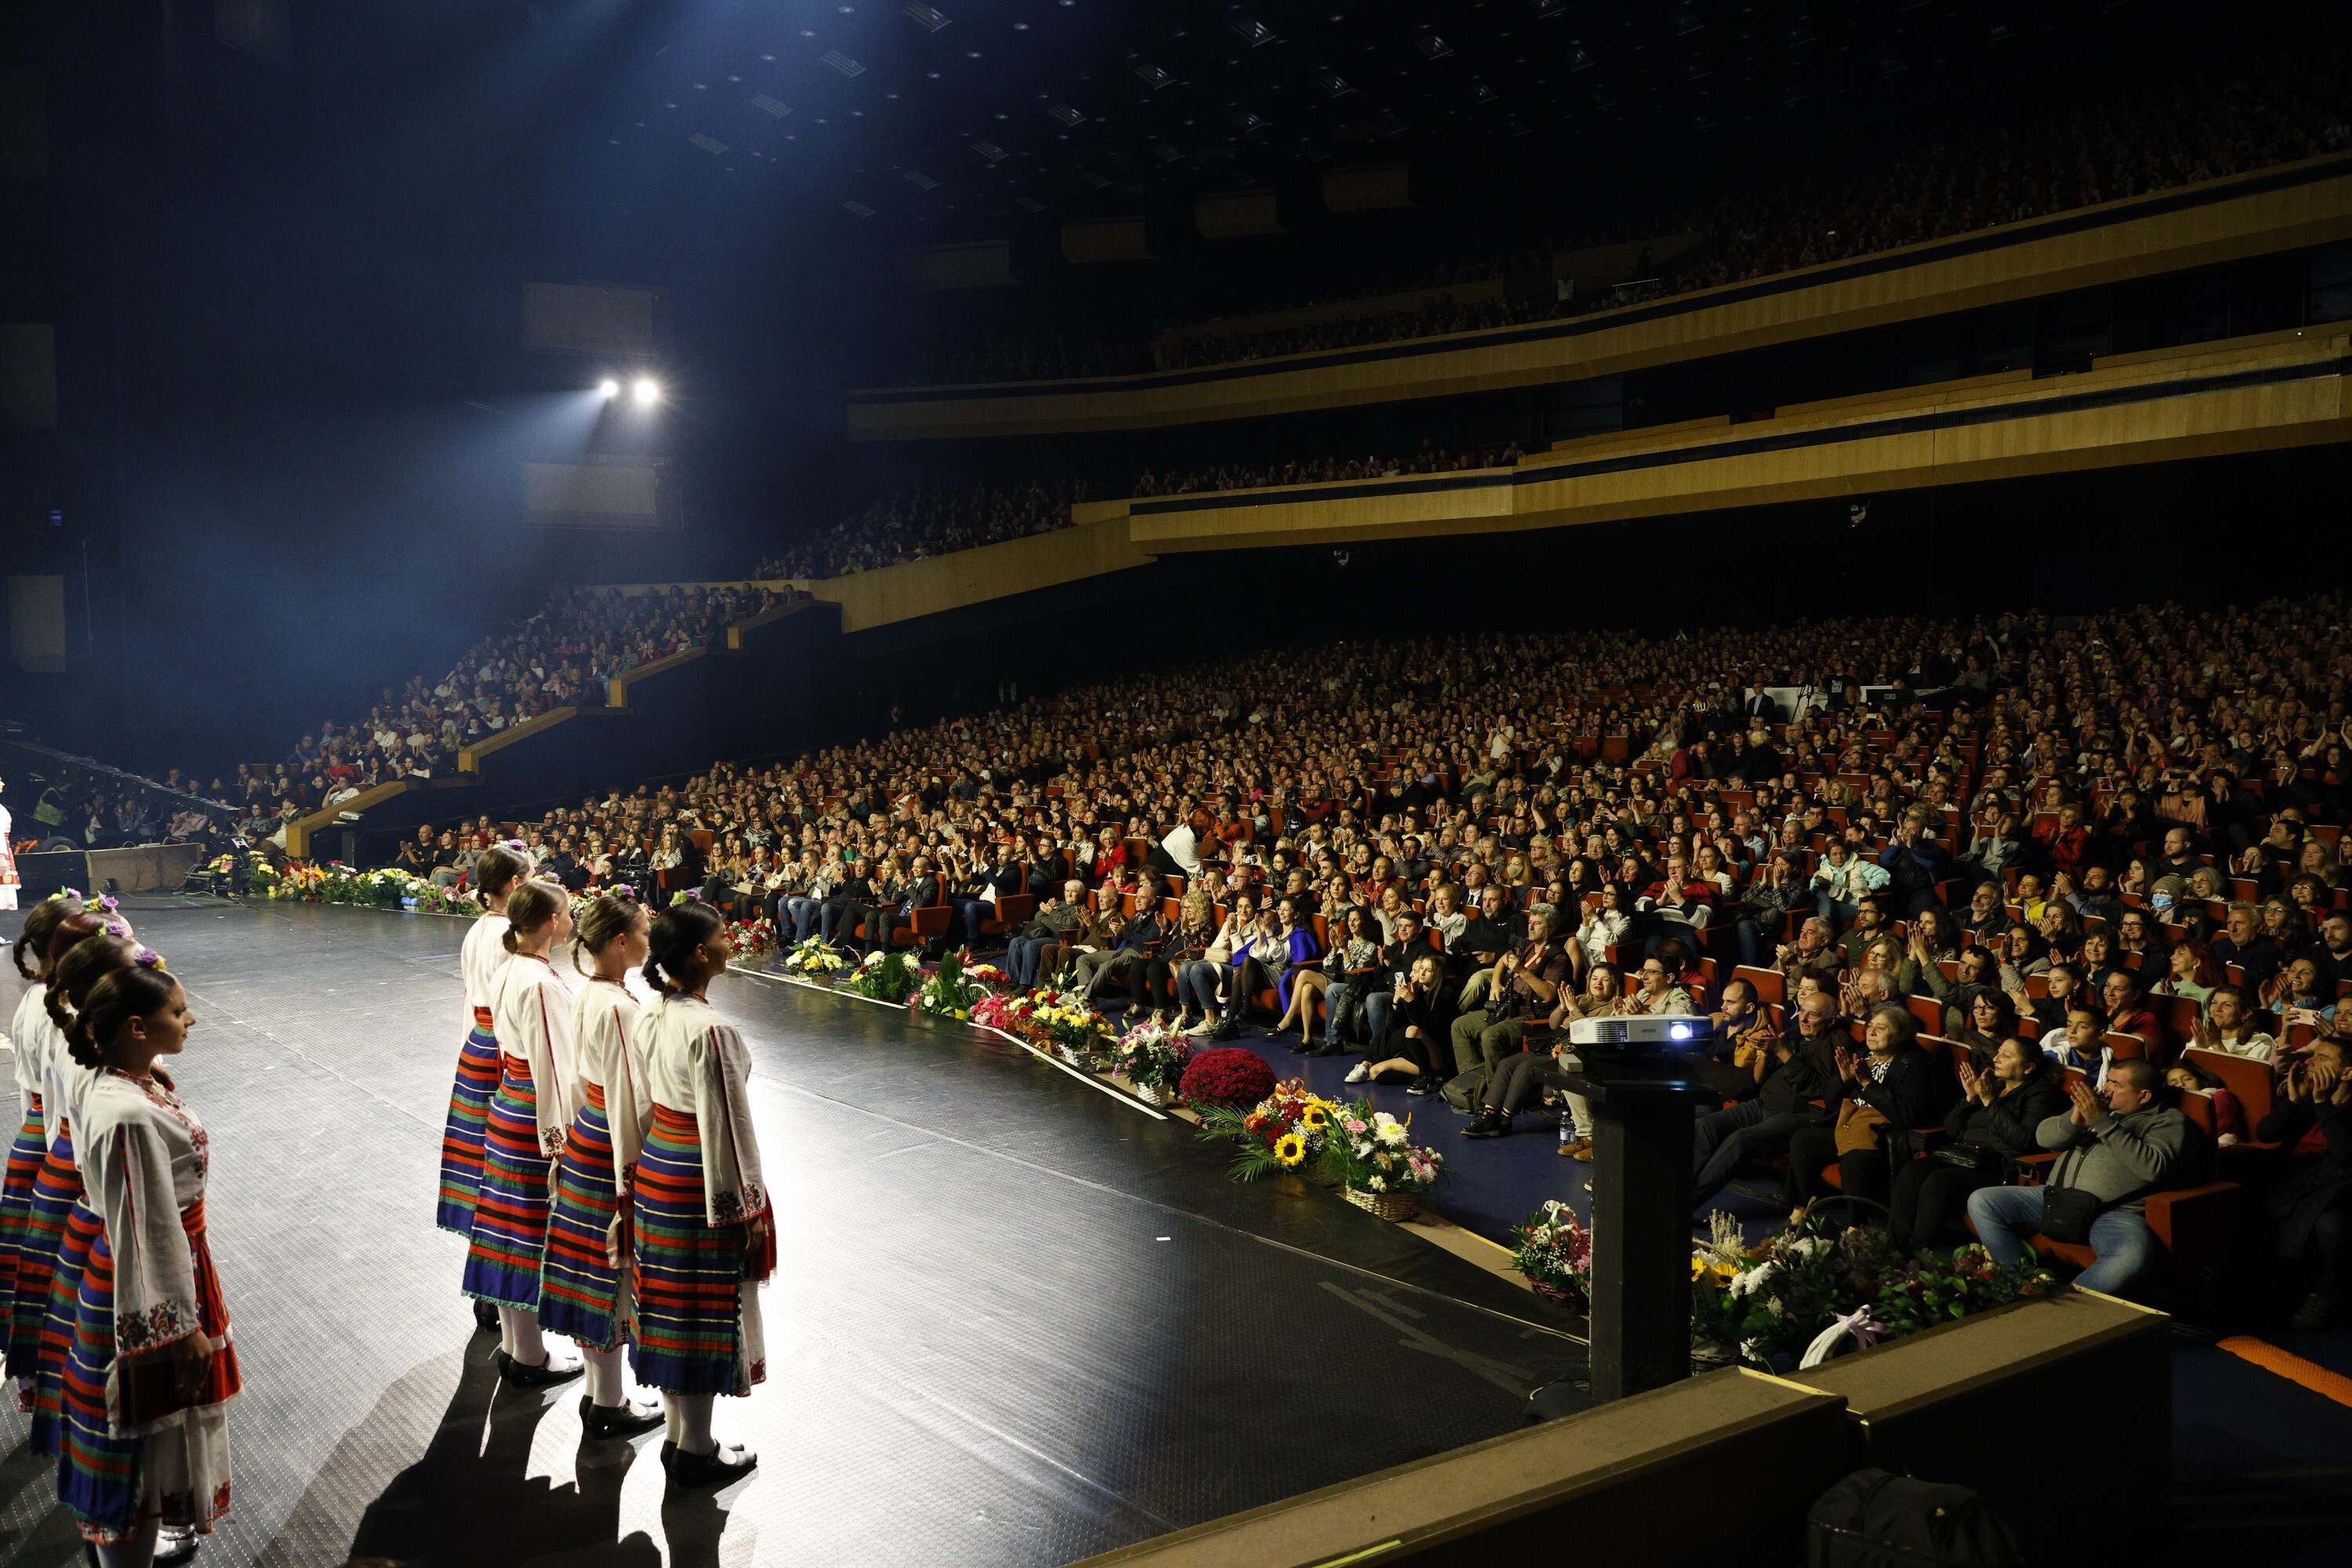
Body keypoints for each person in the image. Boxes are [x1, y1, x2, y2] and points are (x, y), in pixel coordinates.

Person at [53, 962, 243, 1566]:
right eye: (178, 1011)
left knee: (151, 1435)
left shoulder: (124, 1081)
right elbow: (150, 1226)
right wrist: (176, 1326)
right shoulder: (129, 1113)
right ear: (136, 1027)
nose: (190, 1020)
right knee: (142, 1433)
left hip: (154, 1266)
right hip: (152, 1280)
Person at [631, 899, 768, 1486]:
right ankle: (696, 1449)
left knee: (667, 1302)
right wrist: (749, 1209)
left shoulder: (654, 1012)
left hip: (660, 1163)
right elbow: (730, 1130)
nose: (729, 941)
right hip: (698, 1176)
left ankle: (677, 1435)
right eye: (721, 935)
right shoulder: (712, 1031)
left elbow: (643, 1099)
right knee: (702, 1306)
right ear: (698, 952)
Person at [538, 889, 666, 1439]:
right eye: (642, 931)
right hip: (611, 1142)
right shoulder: (617, 1005)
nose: (648, 939)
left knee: (592, 1266)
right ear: (620, 941)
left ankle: (601, 1393)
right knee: (610, 1270)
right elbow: (629, 1095)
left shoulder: (592, 992)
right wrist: (633, 1177)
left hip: (588, 1130)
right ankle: (608, 1401)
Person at [463, 880, 585, 1389]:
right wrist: (564, 1144)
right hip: (533, 1112)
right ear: (552, 922)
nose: (574, 919)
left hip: (508, 1105)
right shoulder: (540, 983)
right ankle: (531, 1356)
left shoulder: (513, 968)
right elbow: (554, 1070)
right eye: (568, 912)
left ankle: (518, 1347)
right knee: (530, 1233)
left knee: (509, 1231)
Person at [1965, 1058, 2201, 1299]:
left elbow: (2153, 1167)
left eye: (2116, 1084)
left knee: (2131, 1258)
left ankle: (2062, 1308)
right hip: (2056, 1198)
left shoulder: (2168, 1122)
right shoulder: (2100, 1108)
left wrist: (2102, 1122)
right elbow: (2043, 1138)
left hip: (2113, 1213)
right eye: (2108, 1080)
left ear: (2144, 1096)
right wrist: (2074, 1121)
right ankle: (2020, 1285)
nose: (2106, 1087)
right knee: (1983, 1200)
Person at [435, 842, 531, 1297]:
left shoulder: (478, 929)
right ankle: (497, 1280)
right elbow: (510, 1004)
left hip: (478, 1041)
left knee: (481, 1156)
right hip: (499, 1048)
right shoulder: (505, 934)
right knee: (498, 1162)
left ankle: (489, 1278)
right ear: (514, 884)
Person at [2, 892, 84, 1396]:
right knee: (59, 1271)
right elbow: (66, 1102)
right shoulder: (67, 1013)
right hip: (62, 1142)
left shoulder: (36, 996)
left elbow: (32, 1091)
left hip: (37, 1133)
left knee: (36, 1261)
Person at [1886, 1037, 2066, 1248]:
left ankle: (1921, 1253)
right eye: (1998, 1052)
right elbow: (1951, 1129)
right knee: (1910, 1171)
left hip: (1997, 1166)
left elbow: (2024, 1140)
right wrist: (1970, 1099)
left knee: (1938, 1182)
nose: (1996, 1059)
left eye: (2006, 1056)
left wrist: (1990, 1102)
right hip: (1964, 1154)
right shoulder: (1994, 1085)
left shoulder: (2042, 1095)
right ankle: (1893, 1250)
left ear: (2028, 1068)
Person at [1787, 1004, 1951, 1209]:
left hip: (1882, 1136)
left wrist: (1868, 1084)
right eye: (1870, 1026)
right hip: (1850, 1125)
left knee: (1855, 1160)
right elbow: (1830, 1100)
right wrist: (1844, 1080)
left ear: (1899, 1035)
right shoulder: (1863, 1053)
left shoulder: (1914, 1066)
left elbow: (1909, 1115)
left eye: (1881, 1028)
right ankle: (1801, 1209)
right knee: (1803, 1140)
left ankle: (1856, 1228)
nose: (1871, 1032)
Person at [2259, 1038, 2352, 1330]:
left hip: (2337, 1188)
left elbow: (2346, 1154)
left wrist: (2324, 1105)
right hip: (2295, 1176)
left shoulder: (2335, 1103)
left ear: (2347, 1073)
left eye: (2322, 1059)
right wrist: (2293, 1101)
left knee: (2330, 1224)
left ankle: (2326, 1297)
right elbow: (2265, 1134)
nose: (2310, 1062)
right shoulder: (2309, 1096)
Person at [1348, 950, 1460, 1093]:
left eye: (1428, 970)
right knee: (1376, 1074)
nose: (1422, 973)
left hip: (1435, 1053)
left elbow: (1433, 1029)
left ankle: (1427, 1077)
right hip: (1412, 1053)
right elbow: (1392, 1024)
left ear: (1437, 975)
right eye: (1421, 969)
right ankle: (1430, 1077)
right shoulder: (1416, 990)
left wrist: (1411, 1001)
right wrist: (1396, 1001)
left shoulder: (1445, 994)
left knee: (1411, 1030)